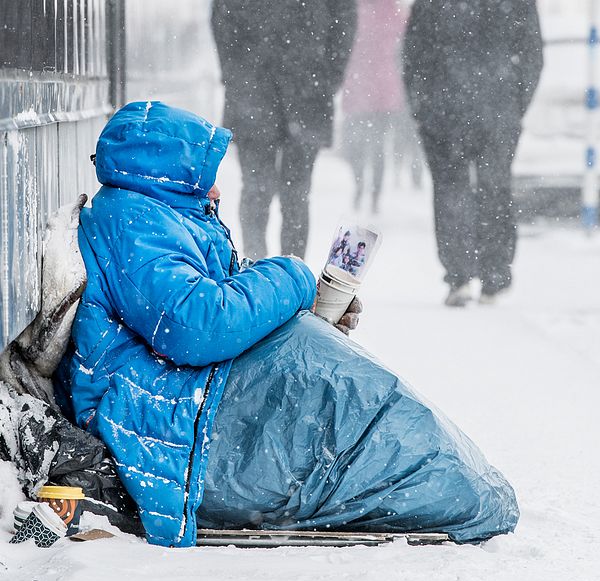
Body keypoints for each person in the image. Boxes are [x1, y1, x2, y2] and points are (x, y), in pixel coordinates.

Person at [54, 102, 519, 548]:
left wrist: (304, 310)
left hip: (183, 389)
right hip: (162, 404)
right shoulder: (134, 222)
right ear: (165, 174)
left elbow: (215, 294)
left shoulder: (158, 215)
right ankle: (443, 490)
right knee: (337, 398)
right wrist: (293, 275)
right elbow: (195, 327)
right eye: (204, 178)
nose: (215, 191)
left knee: (338, 388)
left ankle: (439, 483)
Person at [402, 0, 543, 306]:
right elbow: (532, 53)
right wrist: (516, 103)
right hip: (497, 106)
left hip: (444, 106)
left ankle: (459, 274)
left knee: (451, 189)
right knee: (495, 188)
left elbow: (413, 53)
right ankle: (493, 274)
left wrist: (421, 103)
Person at [211, 0, 357, 260]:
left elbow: (344, 20)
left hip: (282, 89)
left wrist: (329, 77)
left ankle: (280, 269)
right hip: (274, 88)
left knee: (284, 192)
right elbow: (222, 18)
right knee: (274, 191)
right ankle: (264, 266)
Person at [340, 0, 408, 212]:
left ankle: (365, 187)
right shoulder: (392, 11)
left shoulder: (354, 8)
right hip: (380, 89)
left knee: (361, 145)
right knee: (376, 146)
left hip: (363, 86)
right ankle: (371, 192)